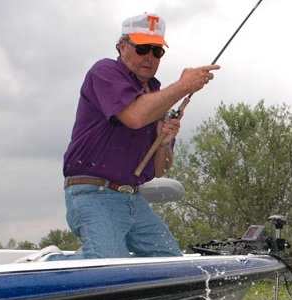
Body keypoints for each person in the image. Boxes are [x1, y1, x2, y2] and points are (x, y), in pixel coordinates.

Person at [21, 13, 219, 262]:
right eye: (142, 48)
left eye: (157, 51)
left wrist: (165, 142)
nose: (149, 57)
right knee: (107, 265)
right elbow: (135, 117)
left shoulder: (157, 96)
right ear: (122, 46)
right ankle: (45, 264)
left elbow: (160, 170)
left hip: (132, 197)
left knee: (170, 262)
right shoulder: (104, 72)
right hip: (93, 193)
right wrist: (183, 86)